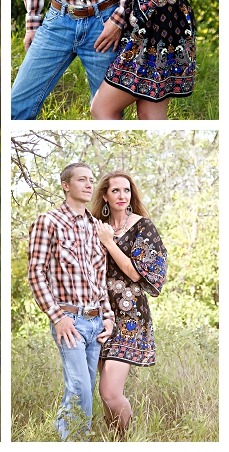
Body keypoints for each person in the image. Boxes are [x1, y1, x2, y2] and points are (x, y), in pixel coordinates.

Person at [26, 162, 115, 440]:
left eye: (91, 180)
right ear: (66, 185)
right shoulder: (48, 222)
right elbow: (36, 273)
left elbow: (100, 277)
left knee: (81, 386)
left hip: (95, 321)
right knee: (81, 389)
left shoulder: (95, 227)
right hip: (69, 320)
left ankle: (61, 438)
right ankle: (79, 441)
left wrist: (108, 316)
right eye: (81, 180)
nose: (89, 185)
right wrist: (58, 317)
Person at [92, 171, 168, 435]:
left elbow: (136, 273)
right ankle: (114, 440)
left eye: (126, 190)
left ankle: (127, 441)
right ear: (104, 195)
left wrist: (109, 243)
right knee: (105, 395)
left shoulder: (142, 226)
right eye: (115, 191)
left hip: (130, 315)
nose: (122, 196)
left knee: (110, 392)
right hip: (100, 313)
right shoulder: (97, 226)